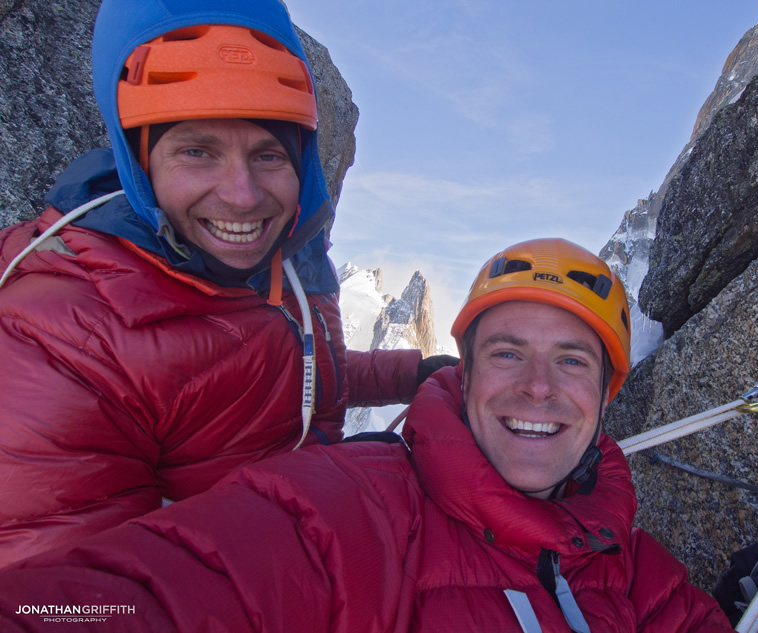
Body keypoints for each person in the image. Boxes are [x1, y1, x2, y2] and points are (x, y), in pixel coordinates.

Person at [0, 238, 734, 633]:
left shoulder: (639, 572)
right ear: (465, 374)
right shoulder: (349, 512)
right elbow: (152, 596)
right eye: (507, 351)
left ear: (605, 397)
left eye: (571, 360)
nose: (536, 388)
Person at [0, 0, 455, 568]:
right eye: (197, 150)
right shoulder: (62, 340)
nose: (241, 195)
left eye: (268, 154)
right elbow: (71, 606)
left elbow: (295, 370)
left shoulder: (282, 261)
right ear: (139, 161)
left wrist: (411, 373)